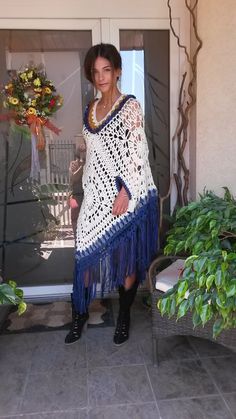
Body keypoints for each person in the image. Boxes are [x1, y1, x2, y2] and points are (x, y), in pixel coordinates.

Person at [65, 43, 158, 346]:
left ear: (118, 72)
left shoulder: (130, 106)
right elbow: (94, 151)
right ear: (91, 76)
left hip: (123, 195)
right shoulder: (89, 110)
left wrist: (128, 191)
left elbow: (137, 153)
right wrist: (80, 162)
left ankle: (124, 316)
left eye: (107, 70)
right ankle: (80, 313)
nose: (101, 76)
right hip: (94, 194)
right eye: (96, 72)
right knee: (85, 258)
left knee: (126, 259)